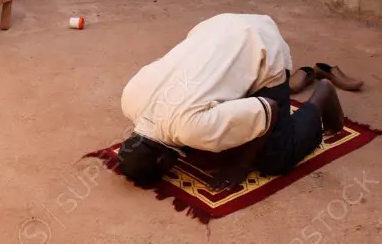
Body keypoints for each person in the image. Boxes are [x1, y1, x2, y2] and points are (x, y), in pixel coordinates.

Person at [116, 13, 345, 189]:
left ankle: (322, 96)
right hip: (215, 27)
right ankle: (291, 83)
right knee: (212, 130)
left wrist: (241, 166)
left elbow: (269, 109)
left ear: (162, 162)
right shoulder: (129, 101)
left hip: (261, 43)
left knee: (275, 159)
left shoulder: (190, 129)